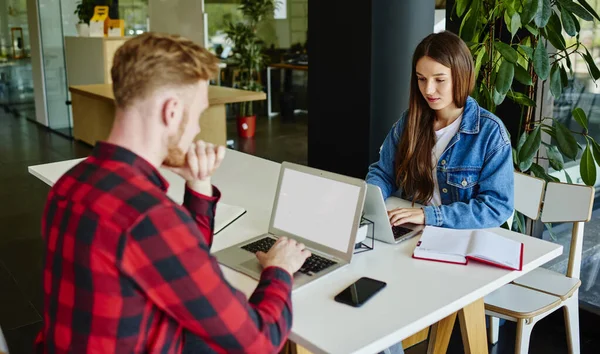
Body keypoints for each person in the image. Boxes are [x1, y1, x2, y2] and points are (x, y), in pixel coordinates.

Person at [35, 32, 311, 354]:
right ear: (172, 112)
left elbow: (173, 259)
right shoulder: (149, 216)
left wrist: (198, 184)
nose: (196, 129)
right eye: (197, 116)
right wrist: (279, 269)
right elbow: (259, 341)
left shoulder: (72, 183)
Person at [367, 31, 514, 231]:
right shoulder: (410, 121)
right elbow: (384, 173)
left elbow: (496, 207)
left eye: (439, 80)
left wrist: (428, 216)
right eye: (421, 79)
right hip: (412, 231)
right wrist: (369, 201)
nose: (428, 90)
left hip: (459, 237)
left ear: (461, 76)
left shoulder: (490, 132)